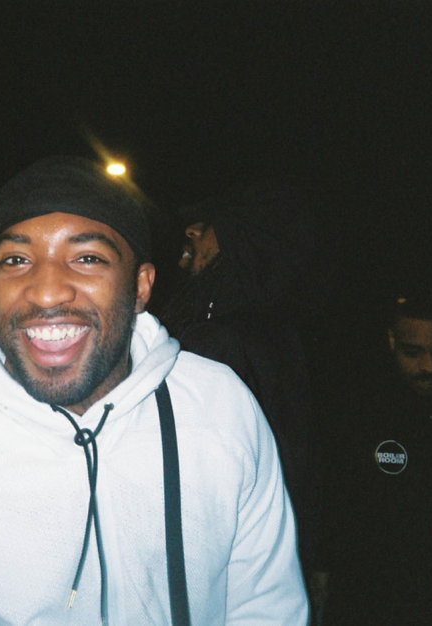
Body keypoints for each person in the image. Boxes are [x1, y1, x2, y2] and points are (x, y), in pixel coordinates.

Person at [0, 157, 308, 625]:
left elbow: (267, 607)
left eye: (87, 258)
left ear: (141, 286)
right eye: (16, 260)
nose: (46, 291)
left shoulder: (219, 407)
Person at [156, 180, 336, 587]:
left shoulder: (221, 341)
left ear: (245, 240)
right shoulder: (276, 330)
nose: (191, 231)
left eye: (210, 223)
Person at [321, 291, 432, 625]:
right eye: (413, 352)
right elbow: (331, 507)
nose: (429, 367)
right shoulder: (356, 412)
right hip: (369, 601)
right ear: (392, 341)